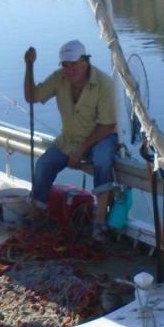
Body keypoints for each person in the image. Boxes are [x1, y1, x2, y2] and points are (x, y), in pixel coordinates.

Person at [23, 40, 119, 230]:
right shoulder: (59, 78)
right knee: (43, 165)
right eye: (65, 65)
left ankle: (99, 219)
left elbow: (108, 125)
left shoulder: (104, 84)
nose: (69, 69)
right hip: (69, 139)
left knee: (102, 159)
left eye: (73, 64)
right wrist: (29, 65)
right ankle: (38, 214)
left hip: (101, 137)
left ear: (85, 61)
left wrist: (82, 149)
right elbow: (32, 97)